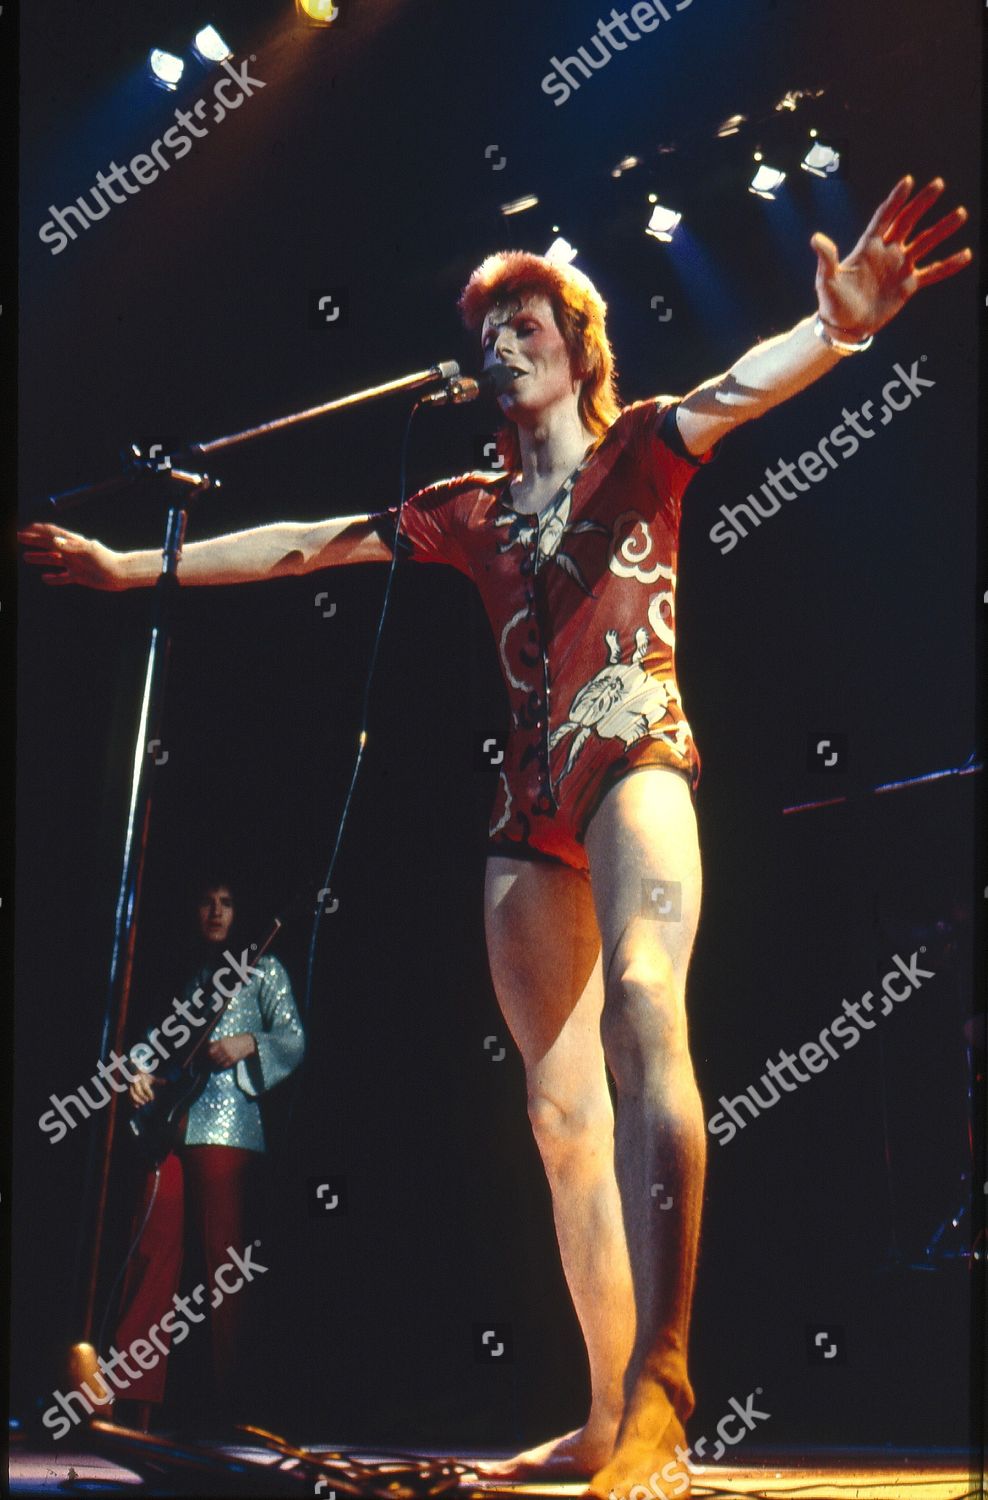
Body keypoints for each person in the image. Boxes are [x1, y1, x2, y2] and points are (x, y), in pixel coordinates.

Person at [20, 175, 970, 1494]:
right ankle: (600, 1412)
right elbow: (307, 543)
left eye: (528, 319)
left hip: (632, 746)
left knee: (648, 1005)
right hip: (525, 810)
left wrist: (843, 330)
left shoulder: (642, 444)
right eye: (489, 325)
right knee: (558, 1113)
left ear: (579, 345)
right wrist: (140, 569)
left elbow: (740, 388)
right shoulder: (464, 506)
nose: (502, 338)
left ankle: (665, 1389)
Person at [109, 872, 305, 1431]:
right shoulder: (186, 974)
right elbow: (152, 1039)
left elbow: (294, 1040)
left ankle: (237, 1405)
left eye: (226, 903)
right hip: (171, 1123)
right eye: (206, 902)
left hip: (229, 1124)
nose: (216, 913)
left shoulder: (265, 970)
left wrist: (250, 1043)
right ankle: (132, 1400)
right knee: (151, 1248)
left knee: (227, 1265)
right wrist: (138, 1072)